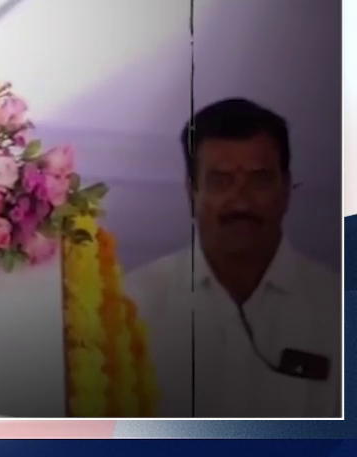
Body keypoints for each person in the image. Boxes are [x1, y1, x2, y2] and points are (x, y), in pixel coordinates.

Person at [125, 98, 340, 418]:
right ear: (191, 193)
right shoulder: (131, 308)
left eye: (259, 180)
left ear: (286, 191)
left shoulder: (338, 311)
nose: (240, 202)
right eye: (221, 181)